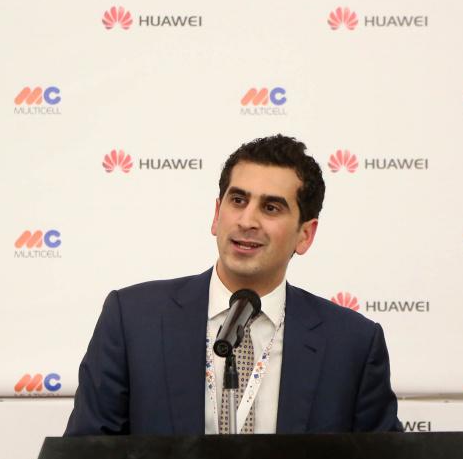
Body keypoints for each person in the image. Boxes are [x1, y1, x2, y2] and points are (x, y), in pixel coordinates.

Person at [65, 135, 401, 435]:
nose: (247, 220)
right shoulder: (133, 320)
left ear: (305, 234)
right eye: (238, 200)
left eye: (271, 207)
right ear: (216, 214)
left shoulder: (352, 345)